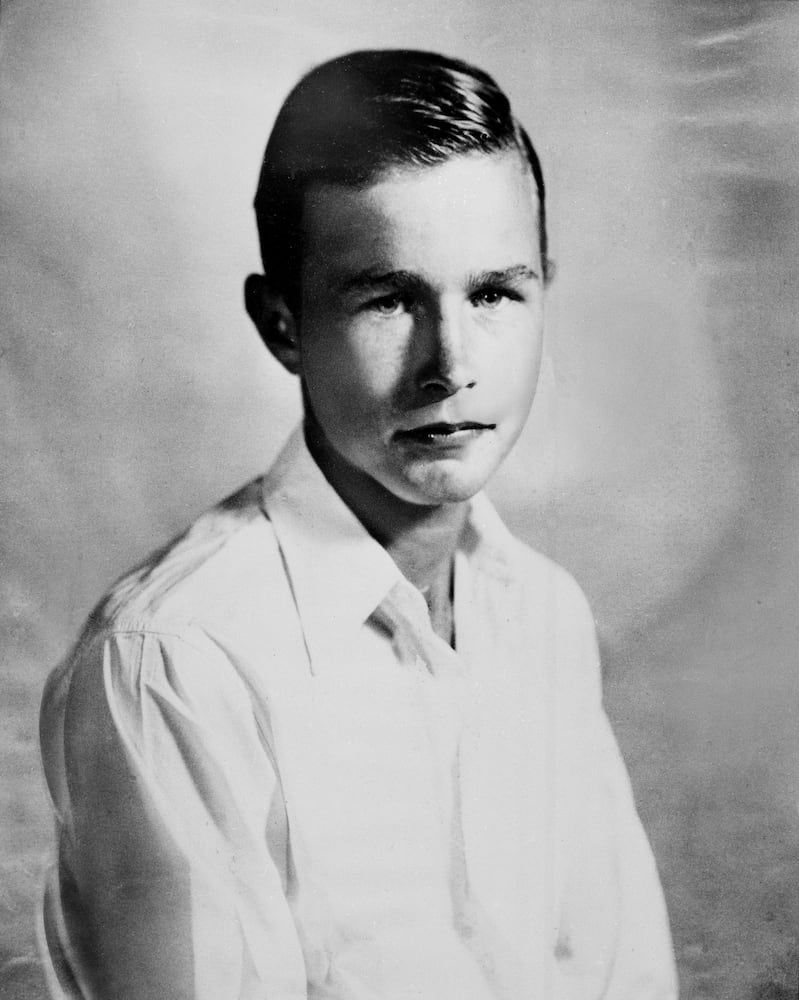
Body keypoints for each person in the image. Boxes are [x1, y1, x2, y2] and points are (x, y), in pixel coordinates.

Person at [39, 49, 678, 999]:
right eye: (387, 299)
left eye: (494, 293)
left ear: (544, 289)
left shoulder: (544, 611)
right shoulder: (176, 664)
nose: (449, 363)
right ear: (282, 324)